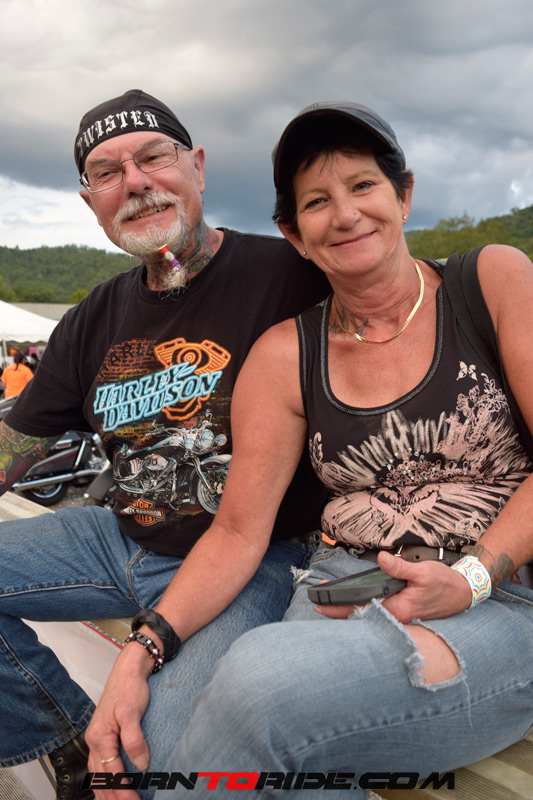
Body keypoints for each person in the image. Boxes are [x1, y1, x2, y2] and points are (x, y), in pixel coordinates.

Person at [141, 102, 530, 798]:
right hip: (339, 589)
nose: (345, 214)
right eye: (316, 201)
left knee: (259, 683)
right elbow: (236, 532)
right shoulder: (285, 354)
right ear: (293, 234)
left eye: (363, 185)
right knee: (192, 739)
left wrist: (471, 576)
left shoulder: (490, 281)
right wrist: (146, 645)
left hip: (496, 598)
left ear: (403, 195)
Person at [0, 89, 330, 800]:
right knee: (111, 753)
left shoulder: (295, 276)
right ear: (91, 202)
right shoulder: (94, 315)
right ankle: (63, 741)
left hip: (256, 558)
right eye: (107, 172)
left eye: (153, 157)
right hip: (118, 537)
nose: (135, 182)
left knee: (161, 761)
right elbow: (17, 441)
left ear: (198, 167)